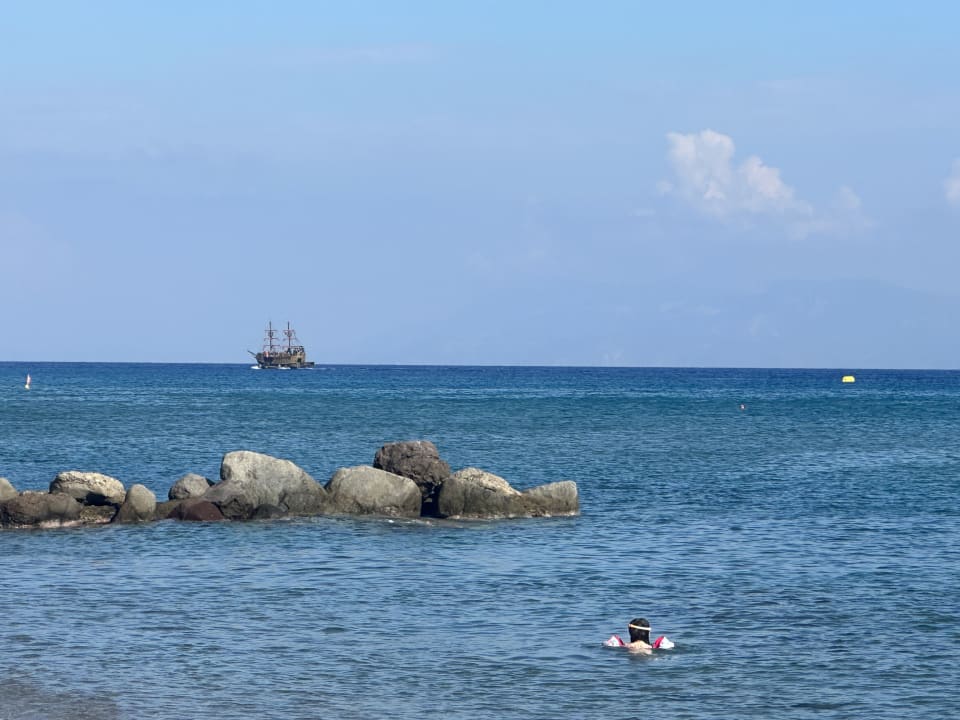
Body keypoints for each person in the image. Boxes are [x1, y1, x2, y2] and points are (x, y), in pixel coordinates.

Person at [603, 617, 673, 652]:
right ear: (648, 633)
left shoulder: (619, 645)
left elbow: (605, 644)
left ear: (630, 632)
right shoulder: (659, 645)